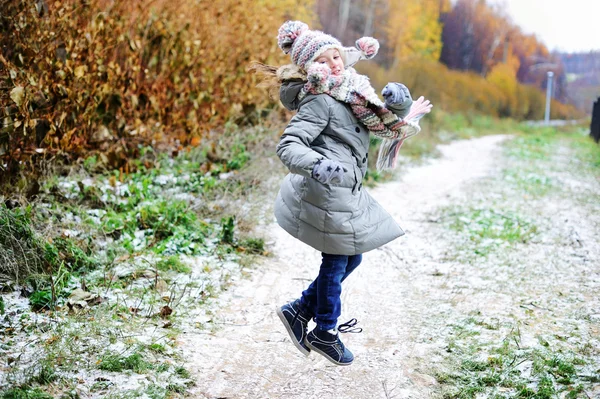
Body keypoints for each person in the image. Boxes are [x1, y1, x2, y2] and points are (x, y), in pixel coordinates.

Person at [260, 21, 426, 366]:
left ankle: (298, 310)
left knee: (353, 256)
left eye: (337, 55)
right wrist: (319, 165)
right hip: (328, 190)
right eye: (325, 59)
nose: (335, 63)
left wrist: (399, 104)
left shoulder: (349, 90)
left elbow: (377, 121)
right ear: (311, 68)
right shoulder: (319, 100)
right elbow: (289, 145)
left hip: (344, 189)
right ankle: (325, 331)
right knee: (337, 260)